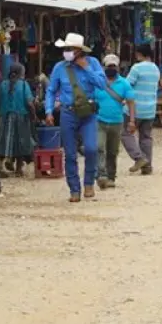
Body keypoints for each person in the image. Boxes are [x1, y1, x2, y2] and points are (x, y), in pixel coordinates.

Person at [45, 34, 108, 202]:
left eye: (69, 49)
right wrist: (49, 110)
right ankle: (74, 189)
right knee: (70, 154)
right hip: (68, 113)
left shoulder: (93, 63)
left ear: (79, 51)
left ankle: (89, 183)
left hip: (89, 113)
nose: (66, 52)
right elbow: (51, 90)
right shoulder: (60, 67)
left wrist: (86, 68)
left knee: (91, 149)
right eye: (65, 49)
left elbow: (102, 84)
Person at [94, 54, 136, 190]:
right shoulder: (98, 82)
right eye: (108, 66)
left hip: (117, 122)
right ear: (103, 67)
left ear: (117, 68)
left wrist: (132, 121)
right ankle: (101, 175)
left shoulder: (124, 83)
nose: (111, 69)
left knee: (112, 151)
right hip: (99, 120)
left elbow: (131, 102)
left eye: (113, 66)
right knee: (99, 147)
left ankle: (111, 177)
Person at [122, 43, 160, 175]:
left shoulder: (136, 68)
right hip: (150, 109)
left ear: (140, 53)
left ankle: (139, 158)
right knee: (146, 137)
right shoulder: (155, 68)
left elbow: (126, 85)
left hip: (134, 109)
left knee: (125, 133)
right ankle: (147, 166)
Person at [0, 62, 35, 177]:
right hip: (21, 117)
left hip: (4, 116)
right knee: (21, 142)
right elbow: (29, 103)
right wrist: (33, 115)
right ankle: (19, 169)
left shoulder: (3, 84)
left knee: (3, 141)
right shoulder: (24, 85)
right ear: (21, 73)